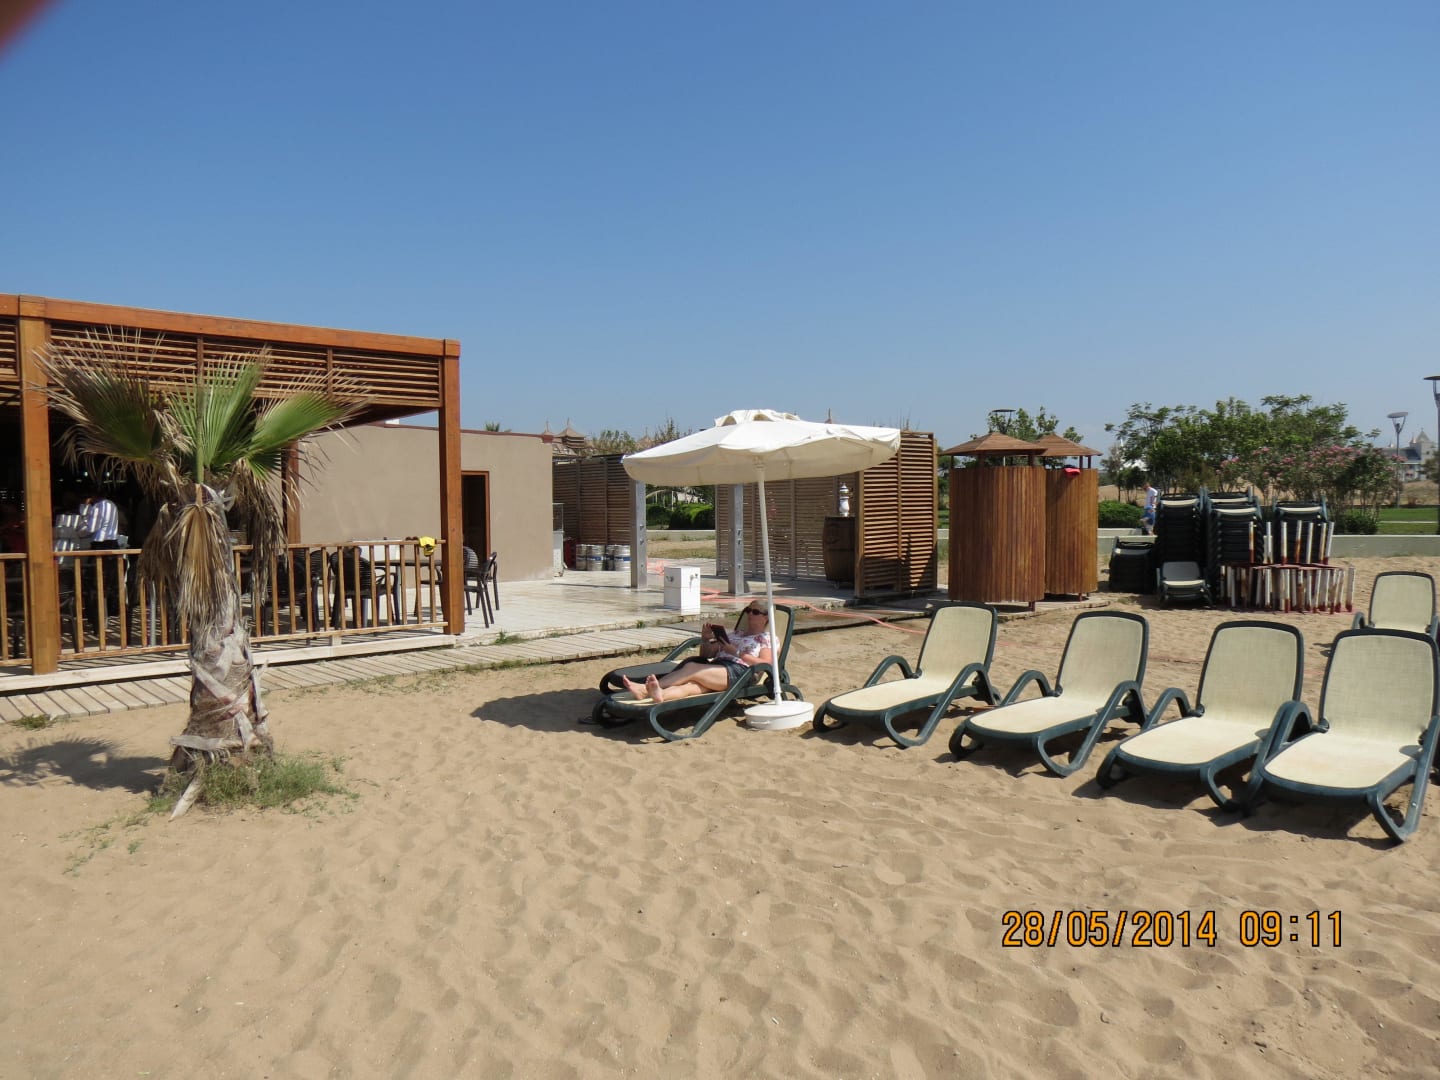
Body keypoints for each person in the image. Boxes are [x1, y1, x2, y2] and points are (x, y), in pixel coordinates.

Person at [623, 604, 776, 702]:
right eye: (748, 610)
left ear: (766, 617)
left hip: (741, 673)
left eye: (755, 612)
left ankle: (644, 690)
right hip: (719, 668)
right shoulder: (735, 634)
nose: (750, 614)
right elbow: (706, 655)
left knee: (692, 668)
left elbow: (767, 664)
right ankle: (661, 695)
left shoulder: (766, 638)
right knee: (691, 686)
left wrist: (736, 652)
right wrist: (706, 639)